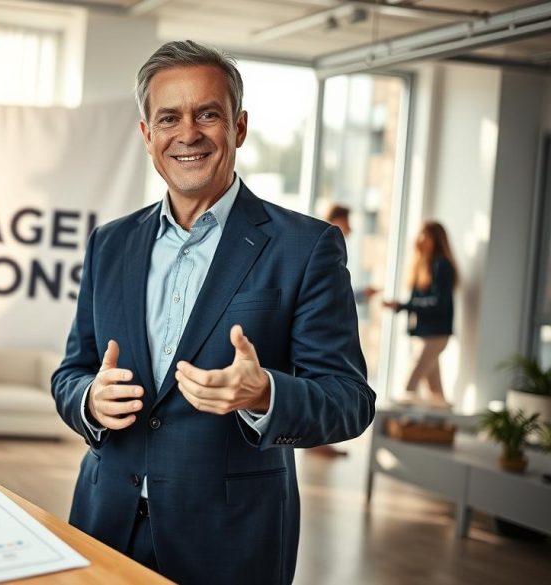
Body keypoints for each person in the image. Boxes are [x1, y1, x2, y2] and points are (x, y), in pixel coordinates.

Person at [51, 41, 375, 585]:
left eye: (208, 114)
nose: (189, 133)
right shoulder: (110, 243)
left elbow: (350, 401)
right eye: (169, 118)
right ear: (147, 134)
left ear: (239, 127)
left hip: (231, 541)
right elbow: (70, 372)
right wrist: (89, 398)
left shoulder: (306, 246)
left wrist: (266, 393)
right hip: (104, 523)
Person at [309, 204, 378, 459]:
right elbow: (333, 291)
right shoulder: (327, 239)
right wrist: (361, 294)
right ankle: (318, 442)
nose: (351, 229)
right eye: (348, 222)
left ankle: (319, 441)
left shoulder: (315, 237)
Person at [382, 221, 458, 408]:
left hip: (434, 335)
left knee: (409, 386)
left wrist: (403, 305)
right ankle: (442, 428)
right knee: (436, 393)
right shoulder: (425, 264)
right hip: (426, 334)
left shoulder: (441, 265)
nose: (420, 238)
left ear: (436, 239)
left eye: (425, 234)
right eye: (420, 234)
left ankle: (400, 430)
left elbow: (439, 303)